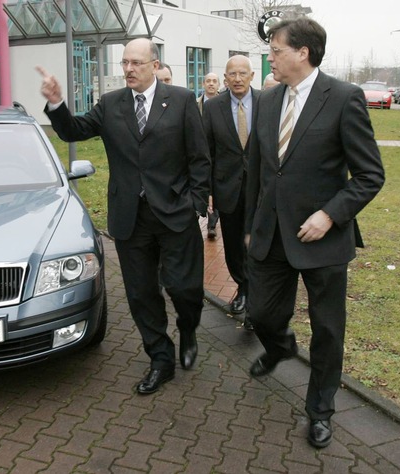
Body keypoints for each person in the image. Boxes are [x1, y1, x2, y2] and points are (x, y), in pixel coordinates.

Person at [37, 38, 210, 395]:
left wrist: (197, 202)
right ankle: (160, 359)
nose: (128, 69)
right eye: (125, 63)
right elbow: (74, 131)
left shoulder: (180, 100)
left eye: (136, 62)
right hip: (131, 216)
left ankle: (188, 329)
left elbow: (199, 157)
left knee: (184, 287)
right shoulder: (111, 103)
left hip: (175, 212)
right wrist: (56, 102)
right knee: (141, 293)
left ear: (154, 64)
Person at [244, 18, 385, 449]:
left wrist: (330, 214)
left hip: (322, 238)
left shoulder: (344, 98)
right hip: (271, 234)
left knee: (327, 331)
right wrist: (251, 226)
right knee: (263, 315)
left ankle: (320, 410)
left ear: (303, 52)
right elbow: (257, 170)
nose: (270, 56)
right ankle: (281, 345)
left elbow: (369, 174)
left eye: (276, 49)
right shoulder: (268, 101)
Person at [202, 55, 257, 323]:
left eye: (242, 73)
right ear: (225, 78)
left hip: (261, 189)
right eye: (232, 74)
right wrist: (209, 189)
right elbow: (207, 151)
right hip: (227, 188)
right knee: (234, 245)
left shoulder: (267, 103)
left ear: (251, 76)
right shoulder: (213, 108)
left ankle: (255, 291)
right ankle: (243, 288)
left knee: (257, 242)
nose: (237, 79)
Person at [196, 72, 221, 239]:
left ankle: (212, 224)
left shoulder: (224, 104)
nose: (211, 84)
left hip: (218, 154)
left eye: (214, 81)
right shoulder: (193, 104)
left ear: (219, 84)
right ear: (203, 84)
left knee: (216, 189)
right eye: (208, 81)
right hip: (199, 152)